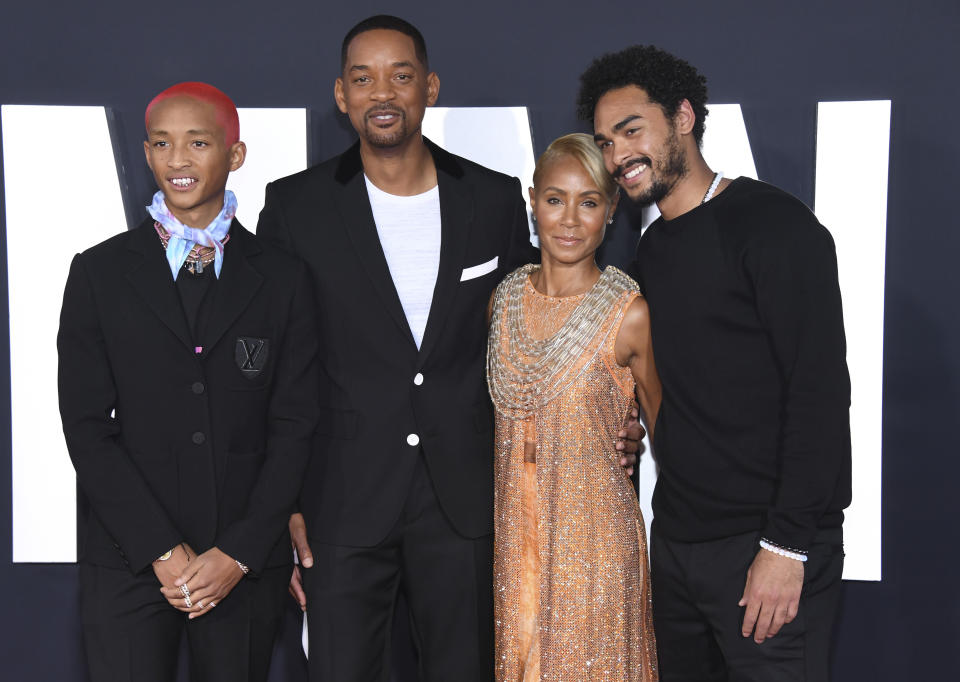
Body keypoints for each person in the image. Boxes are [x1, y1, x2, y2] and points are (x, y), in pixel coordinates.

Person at [577, 46, 852, 682]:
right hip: (675, 548)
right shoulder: (650, 250)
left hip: (765, 548)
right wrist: (635, 424)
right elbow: (683, 379)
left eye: (631, 131)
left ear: (683, 117)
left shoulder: (775, 227)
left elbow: (818, 398)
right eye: (604, 141)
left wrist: (786, 546)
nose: (618, 156)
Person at [57, 82, 319, 682]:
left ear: (235, 153)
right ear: (146, 154)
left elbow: (295, 425)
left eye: (198, 142)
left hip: (243, 562)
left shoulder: (283, 278)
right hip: (128, 555)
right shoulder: (97, 273)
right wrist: (159, 547)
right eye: (162, 144)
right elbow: (87, 428)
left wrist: (241, 551)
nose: (178, 160)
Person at [488, 133, 661, 681]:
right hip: (516, 536)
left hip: (596, 545)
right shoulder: (503, 301)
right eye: (555, 199)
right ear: (532, 202)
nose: (568, 219)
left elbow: (671, 435)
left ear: (611, 212)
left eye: (588, 202)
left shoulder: (629, 313)